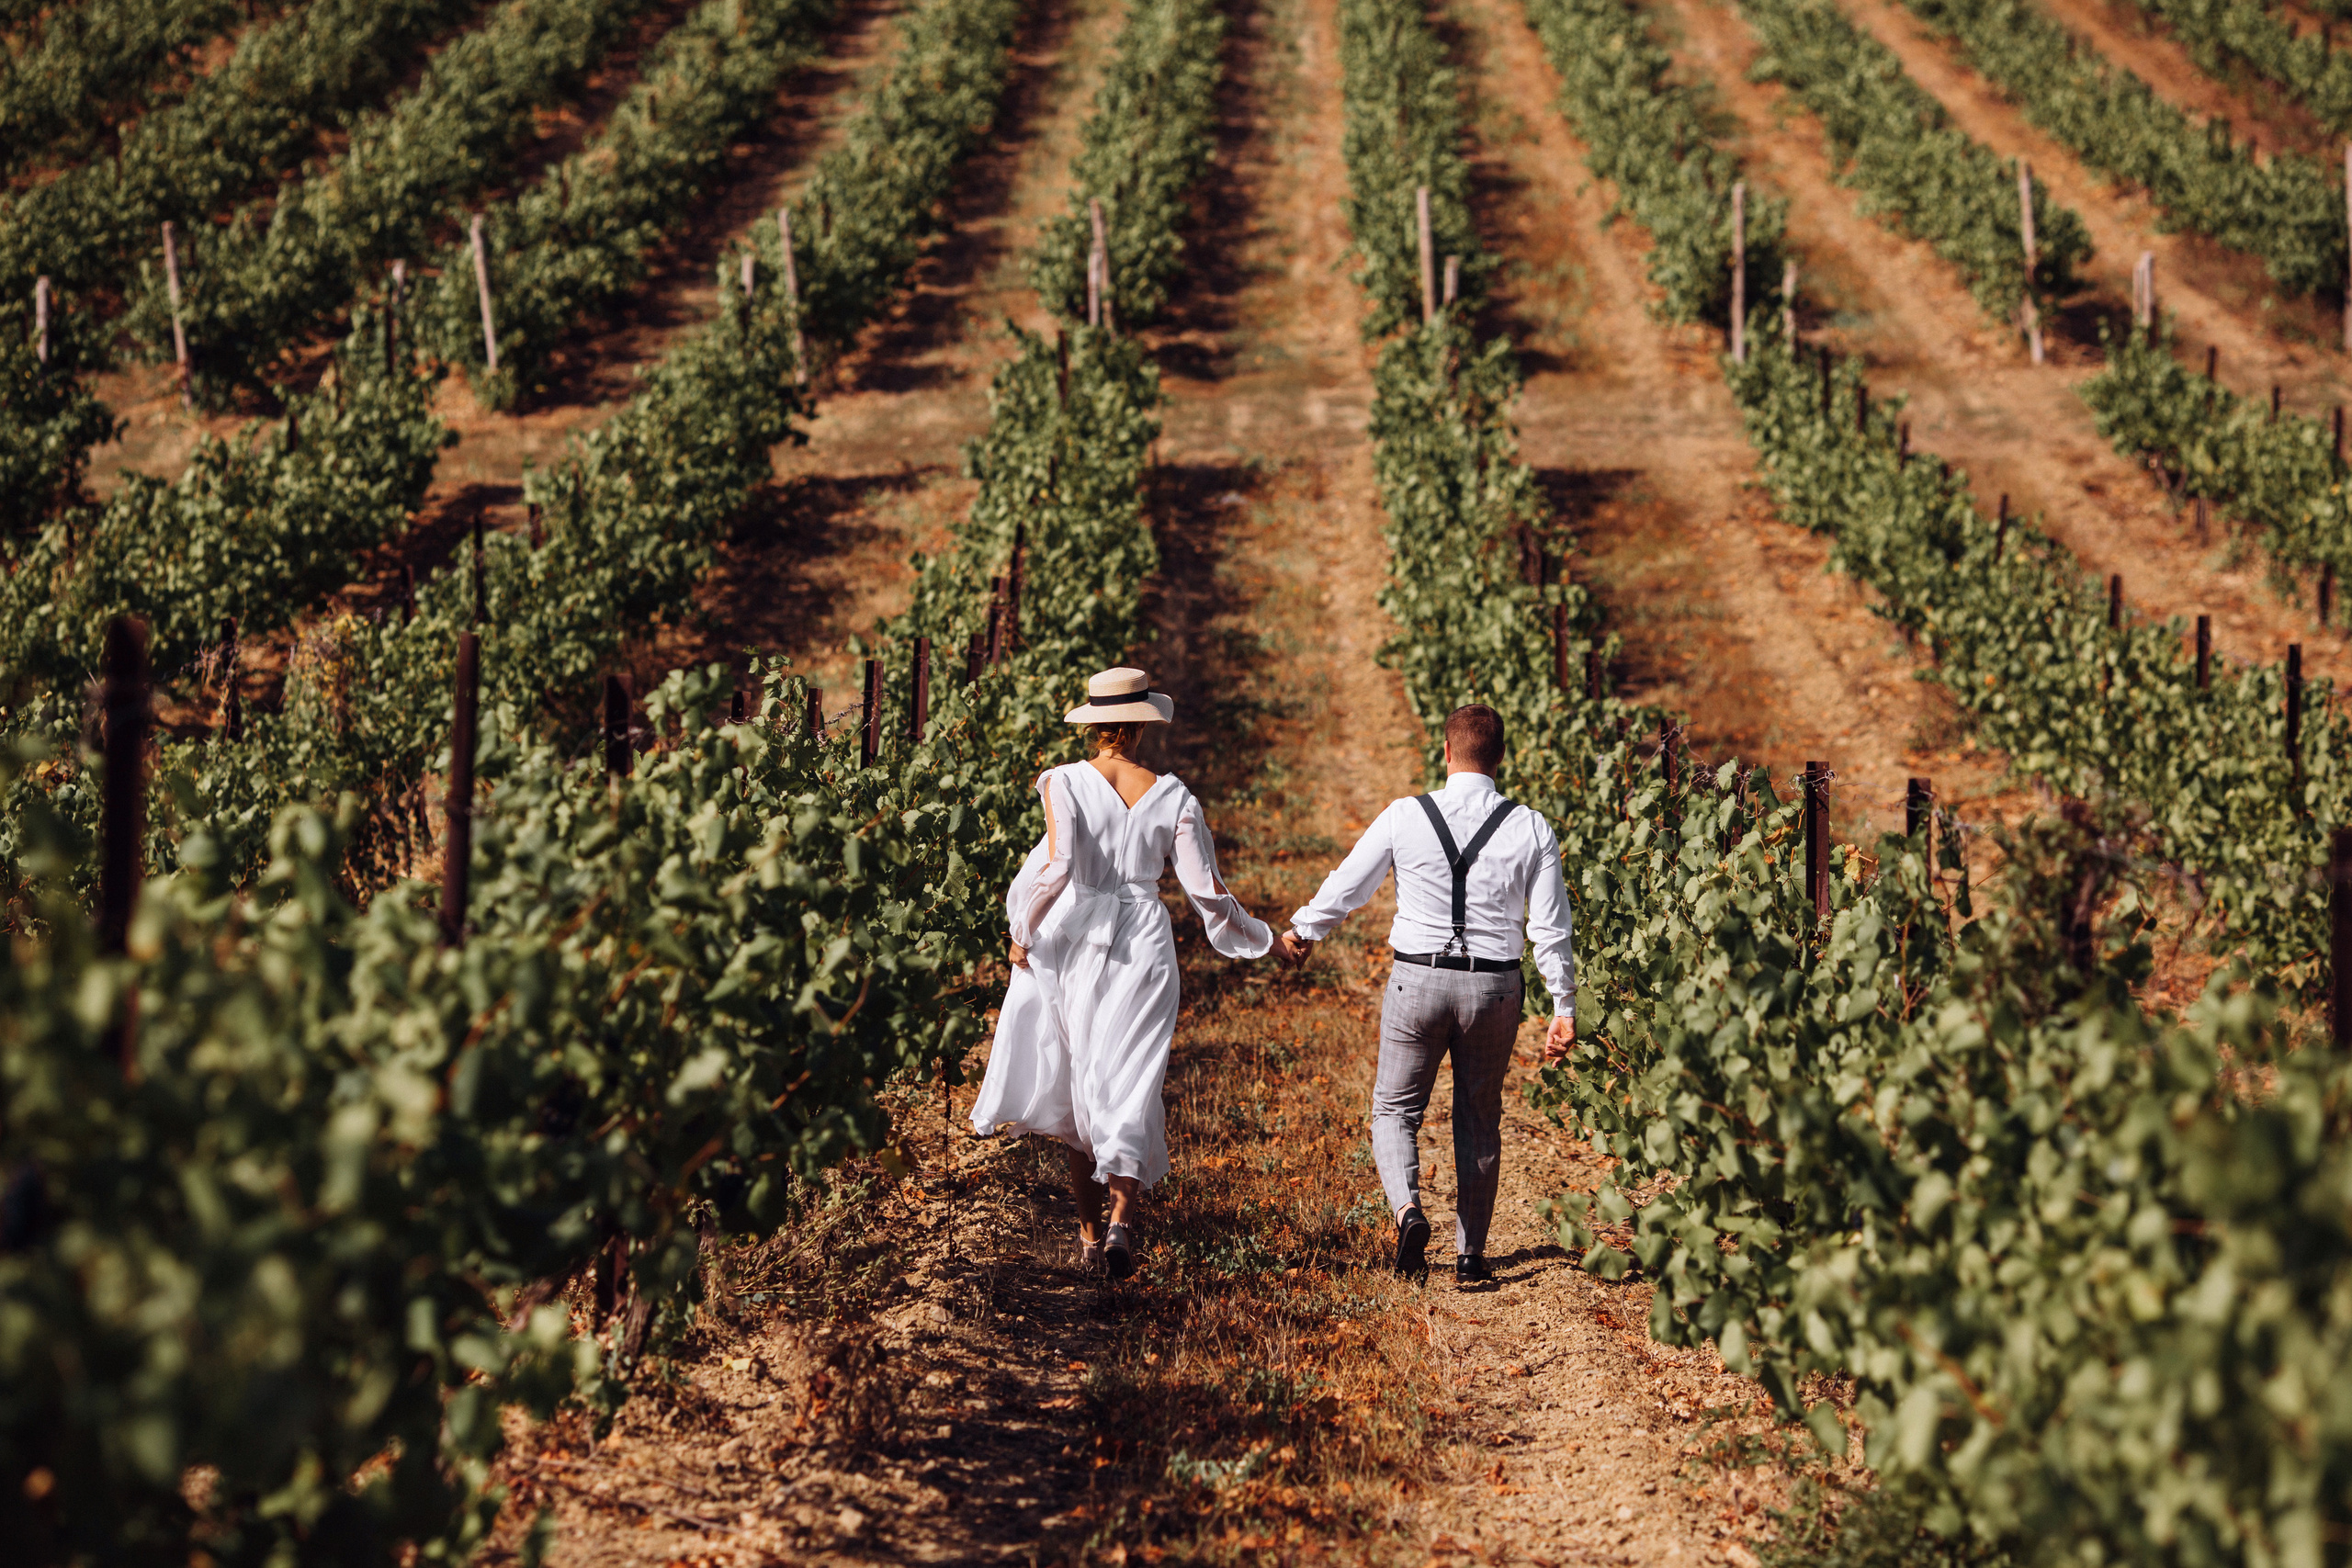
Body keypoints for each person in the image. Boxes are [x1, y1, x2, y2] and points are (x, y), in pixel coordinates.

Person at [969, 666, 1275, 1280]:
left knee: (1080, 1080)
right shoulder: (1175, 797)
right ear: (1141, 725)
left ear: (1094, 725)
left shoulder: (1063, 781)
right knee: (1132, 1080)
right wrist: (1263, 938)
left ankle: (1089, 1239)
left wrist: (1022, 933)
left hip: (1077, 939)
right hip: (1144, 943)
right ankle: (1119, 1223)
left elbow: (1057, 868)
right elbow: (1207, 892)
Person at [1275, 704, 1575, 1284]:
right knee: (1480, 1117)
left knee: (1394, 1109)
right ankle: (1471, 1257)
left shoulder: (1405, 815)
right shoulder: (1532, 827)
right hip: (1494, 988)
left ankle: (1409, 1211)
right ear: (1501, 757)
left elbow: (1349, 885)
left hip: (1418, 980)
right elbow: (1550, 928)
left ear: (1446, 752)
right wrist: (1562, 1005)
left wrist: (1303, 931)